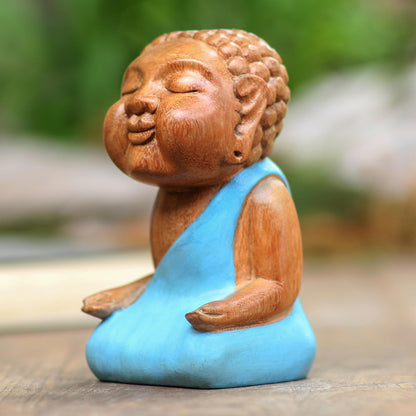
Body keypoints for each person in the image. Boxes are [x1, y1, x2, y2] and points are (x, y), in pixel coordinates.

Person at [83, 30, 316, 387]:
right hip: (179, 309)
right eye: (130, 89)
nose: (138, 102)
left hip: (242, 314)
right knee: (105, 346)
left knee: (203, 355)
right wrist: (130, 292)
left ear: (247, 112)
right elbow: (173, 278)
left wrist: (230, 309)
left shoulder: (263, 194)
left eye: (181, 88)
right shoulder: (171, 193)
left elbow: (277, 286)